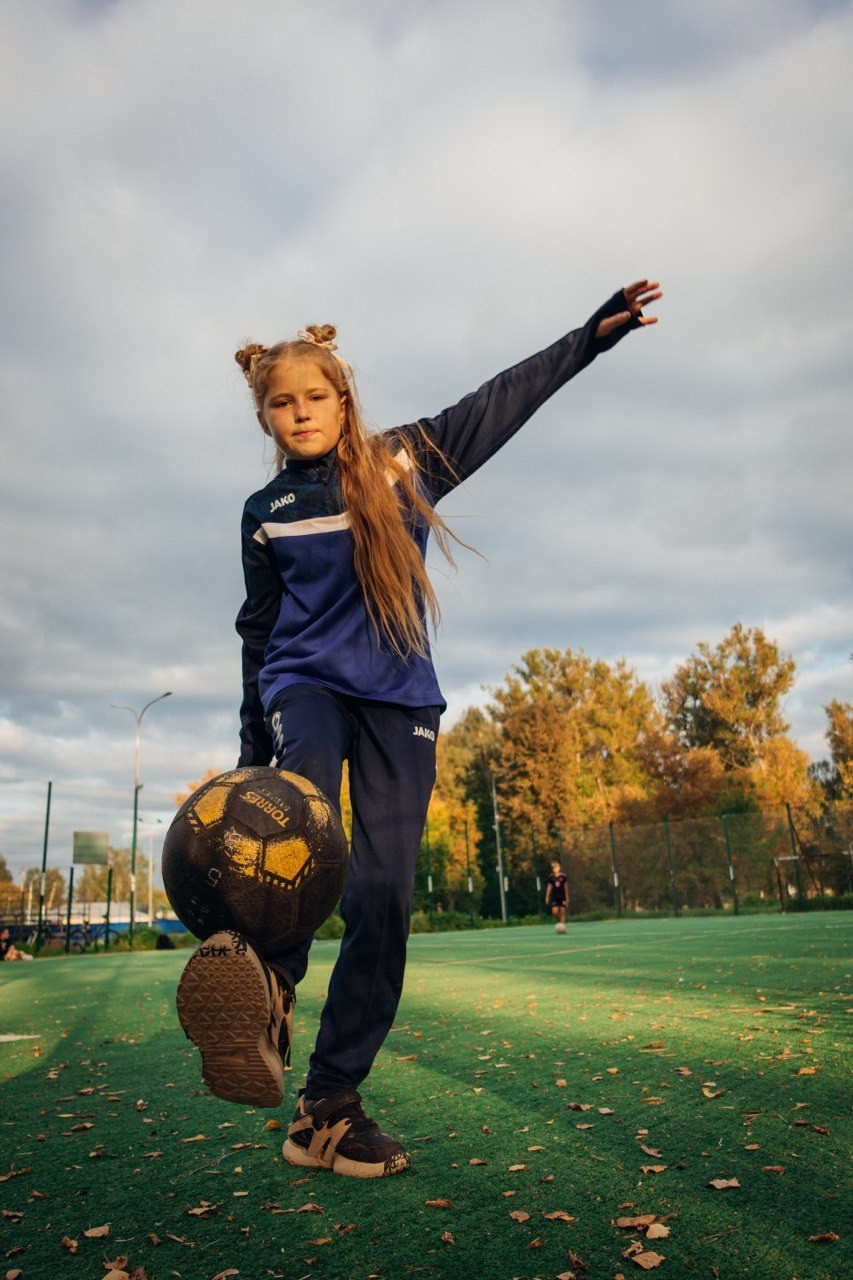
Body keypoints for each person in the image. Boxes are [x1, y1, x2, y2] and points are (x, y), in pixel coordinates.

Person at [176, 278, 662, 1178]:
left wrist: (588, 337)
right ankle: (265, 988)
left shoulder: (402, 460)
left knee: (383, 896)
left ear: (343, 399)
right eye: (281, 403)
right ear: (265, 417)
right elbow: (257, 633)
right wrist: (251, 758)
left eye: (314, 396)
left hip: (401, 699)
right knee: (300, 827)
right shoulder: (265, 514)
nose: (299, 413)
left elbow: (501, 399)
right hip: (304, 688)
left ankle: (326, 1106)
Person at [545, 859, 569, 929]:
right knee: (554, 912)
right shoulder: (551, 877)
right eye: (553, 868)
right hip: (555, 896)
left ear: (559, 868)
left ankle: (562, 927)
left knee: (562, 911)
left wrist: (567, 898)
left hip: (562, 896)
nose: (555, 869)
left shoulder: (563, 876)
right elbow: (549, 887)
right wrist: (547, 896)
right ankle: (559, 923)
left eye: (556, 868)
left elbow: (566, 888)